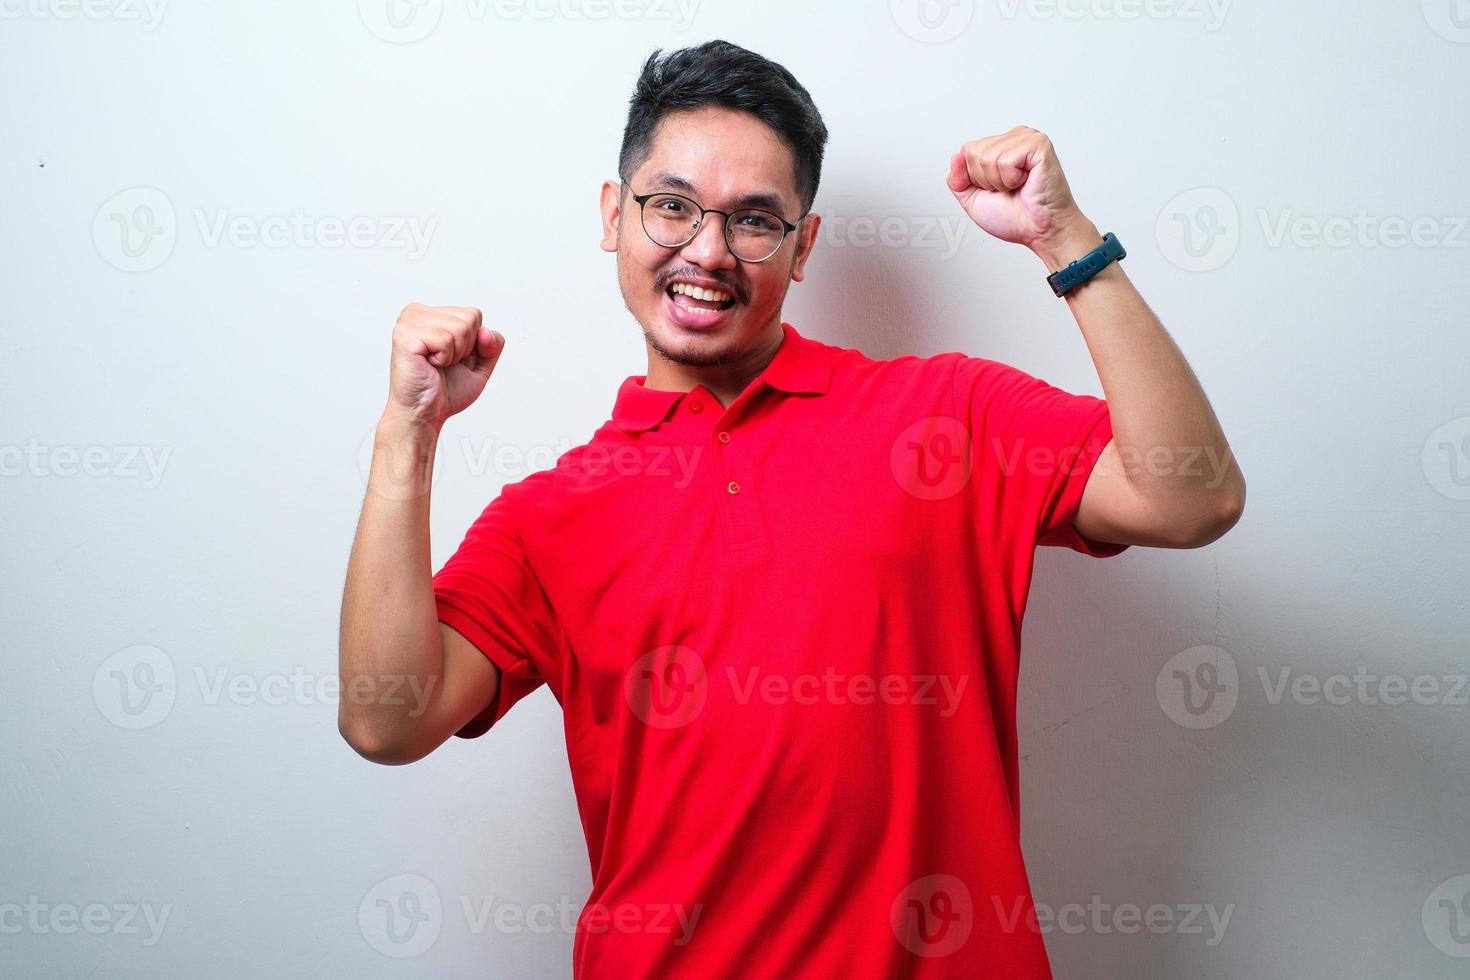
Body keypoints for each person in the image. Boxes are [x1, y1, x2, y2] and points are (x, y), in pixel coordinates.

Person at [338, 38, 1245, 979]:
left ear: (803, 247)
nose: (708, 251)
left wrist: (1068, 239)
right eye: (673, 206)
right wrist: (408, 430)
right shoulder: (549, 514)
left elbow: (1193, 495)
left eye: (755, 221)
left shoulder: (946, 416)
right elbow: (386, 722)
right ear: (615, 214)